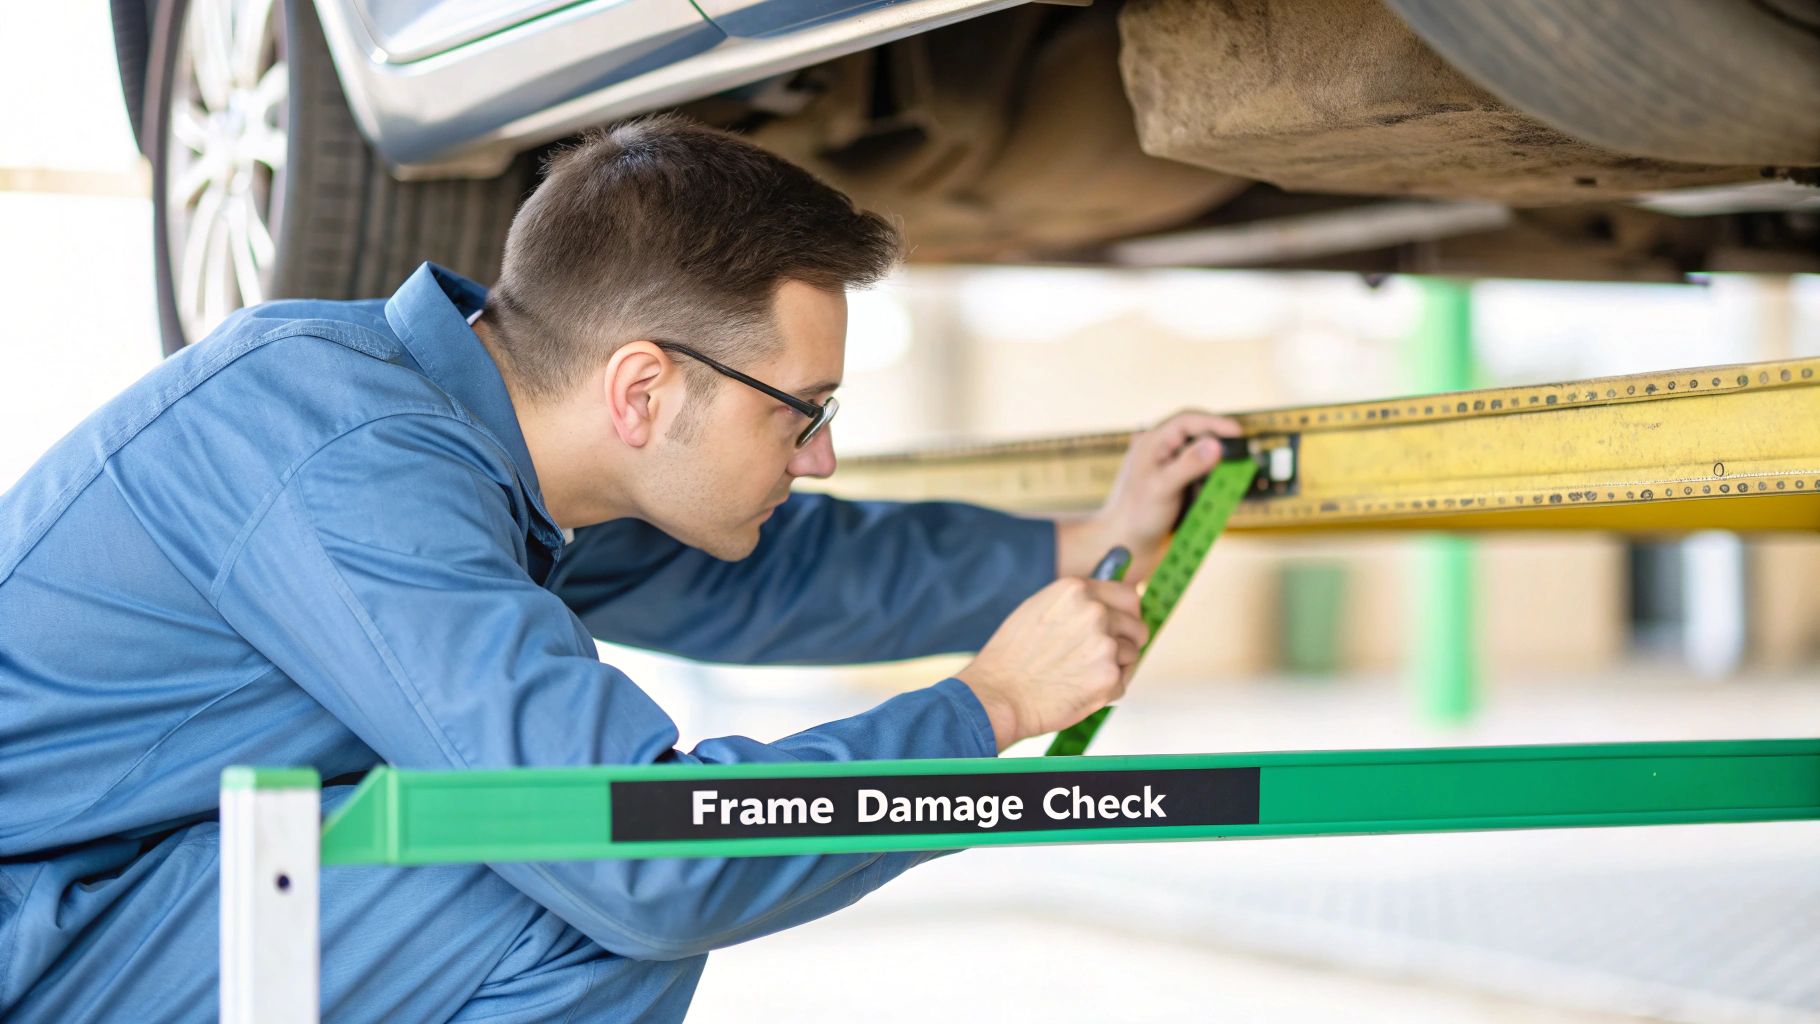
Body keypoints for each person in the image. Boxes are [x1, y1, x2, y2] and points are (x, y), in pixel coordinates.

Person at [0, 115, 1238, 1022]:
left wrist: (1077, 543)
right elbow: (644, 855)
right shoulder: (350, 464)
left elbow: (762, 574)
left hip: (123, 898)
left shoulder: (467, 432)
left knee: (565, 869)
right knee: (572, 895)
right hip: (47, 940)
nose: (820, 456)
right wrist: (990, 712)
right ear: (642, 387)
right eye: (800, 411)